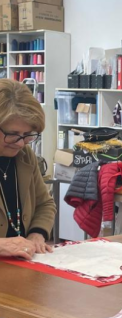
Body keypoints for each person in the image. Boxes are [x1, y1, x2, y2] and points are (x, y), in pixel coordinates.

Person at [0, 79, 54, 259]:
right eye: (13, 134)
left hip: (21, 265)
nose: (21, 143)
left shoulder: (25, 156)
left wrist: (37, 233)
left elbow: (44, 204)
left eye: (27, 135)